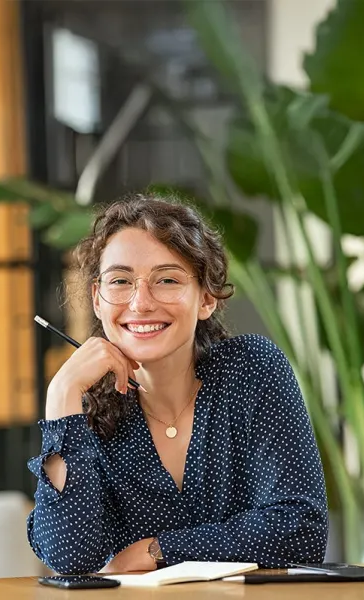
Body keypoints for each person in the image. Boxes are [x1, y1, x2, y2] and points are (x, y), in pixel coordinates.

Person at [25, 192, 329, 575]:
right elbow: (69, 558)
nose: (141, 303)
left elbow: (301, 530)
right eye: (120, 281)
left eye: (167, 280)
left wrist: (158, 549)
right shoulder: (80, 417)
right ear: (98, 300)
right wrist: (61, 394)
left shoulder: (251, 370)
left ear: (205, 298)